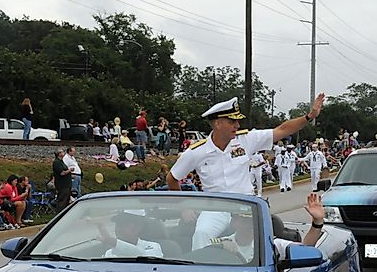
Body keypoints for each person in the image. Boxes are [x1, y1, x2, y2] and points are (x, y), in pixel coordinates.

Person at [167, 94, 326, 248]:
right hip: (216, 208)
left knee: (263, 243)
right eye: (232, 122)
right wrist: (184, 207)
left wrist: (309, 116)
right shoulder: (197, 151)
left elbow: (282, 130)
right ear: (217, 124)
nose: (237, 126)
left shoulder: (245, 140)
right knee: (201, 234)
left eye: (237, 121)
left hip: (246, 206)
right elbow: (172, 178)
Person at [212, 192, 326, 263]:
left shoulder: (272, 245)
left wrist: (317, 222)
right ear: (234, 222)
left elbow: (305, 249)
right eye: (245, 220)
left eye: (254, 220)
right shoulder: (220, 244)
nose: (251, 225)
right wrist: (221, 251)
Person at [98, 211, 163, 258]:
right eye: (117, 225)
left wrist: (114, 242)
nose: (118, 229)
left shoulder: (153, 246)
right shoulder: (109, 253)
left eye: (123, 224)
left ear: (138, 227)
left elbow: (145, 258)